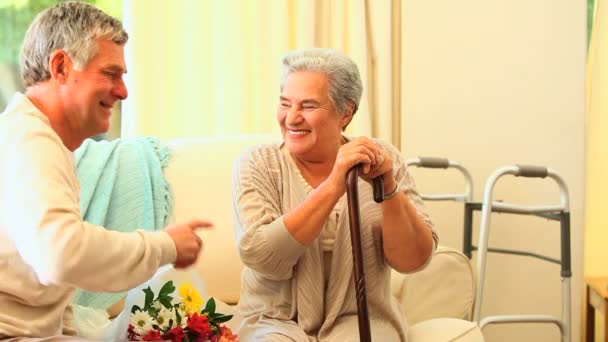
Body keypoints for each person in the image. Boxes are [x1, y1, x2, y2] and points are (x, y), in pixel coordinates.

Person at [0, 2, 211, 340]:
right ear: (61, 67)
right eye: (111, 74)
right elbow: (62, 255)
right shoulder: (30, 142)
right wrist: (164, 246)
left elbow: (47, 286)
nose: (123, 91)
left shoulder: (41, 139)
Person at [232, 47, 439, 341]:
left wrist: (388, 187)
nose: (291, 118)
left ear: (346, 113)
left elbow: (413, 260)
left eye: (308, 106)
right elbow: (262, 256)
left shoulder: (381, 158)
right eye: (285, 103)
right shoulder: (257, 163)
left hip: (361, 318)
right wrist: (333, 185)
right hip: (272, 320)